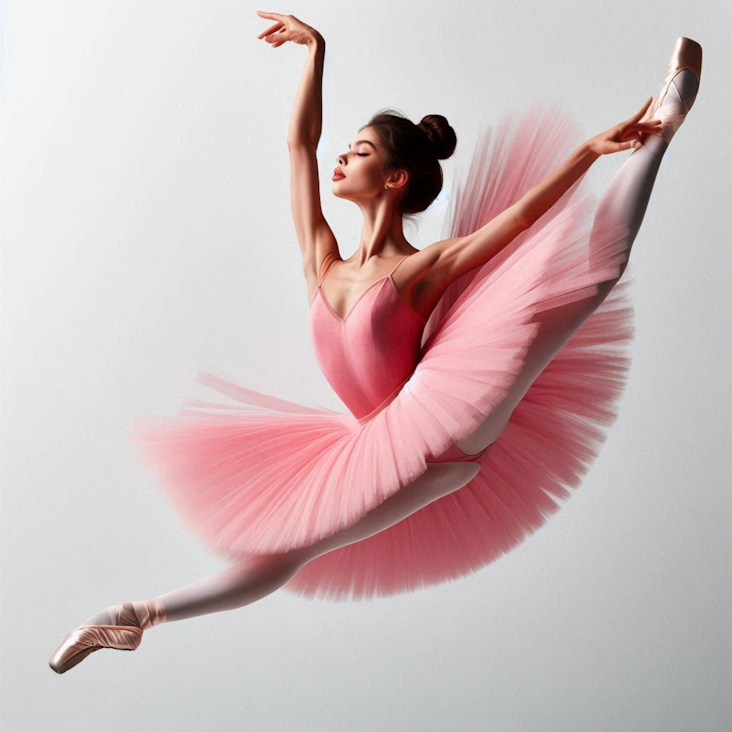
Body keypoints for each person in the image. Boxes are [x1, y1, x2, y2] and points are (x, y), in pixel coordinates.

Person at [49, 15, 702, 674]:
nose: (343, 157)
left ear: (394, 180)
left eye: (360, 152)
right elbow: (300, 147)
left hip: (445, 421)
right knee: (285, 551)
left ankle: (662, 129)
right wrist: (315, 54)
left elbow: (520, 219)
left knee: (589, 283)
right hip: (375, 442)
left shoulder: (420, 269)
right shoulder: (321, 261)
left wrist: (590, 153)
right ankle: (135, 618)